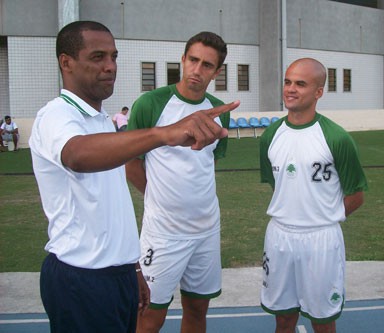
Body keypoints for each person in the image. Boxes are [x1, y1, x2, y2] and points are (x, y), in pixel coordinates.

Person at [29, 21, 238, 333]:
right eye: (97, 57)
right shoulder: (56, 115)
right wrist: (163, 134)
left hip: (119, 270)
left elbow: (114, 208)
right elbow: (77, 155)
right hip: (82, 274)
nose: (110, 66)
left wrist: (134, 266)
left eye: (114, 57)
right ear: (66, 62)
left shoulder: (100, 120)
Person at [125, 31, 230, 333]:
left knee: (197, 311)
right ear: (183, 60)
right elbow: (131, 163)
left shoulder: (220, 112)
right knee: (148, 317)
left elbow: (207, 164)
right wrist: (158, 196)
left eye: (207, 65)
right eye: (193, 60)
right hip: (164, 234)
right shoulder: (151, 104)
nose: (197, 70)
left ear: (216, 72)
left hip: (206, 231)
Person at [259, 58, 367, 333]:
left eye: (300, 83)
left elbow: (355, 195)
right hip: (280, 238)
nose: (290, 89)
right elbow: (278, 185)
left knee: (323, 321)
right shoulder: (270, 135)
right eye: (287, 81)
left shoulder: (336, 138)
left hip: (321, 240)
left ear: (319, 92)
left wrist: (322, 217)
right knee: (283, 319)